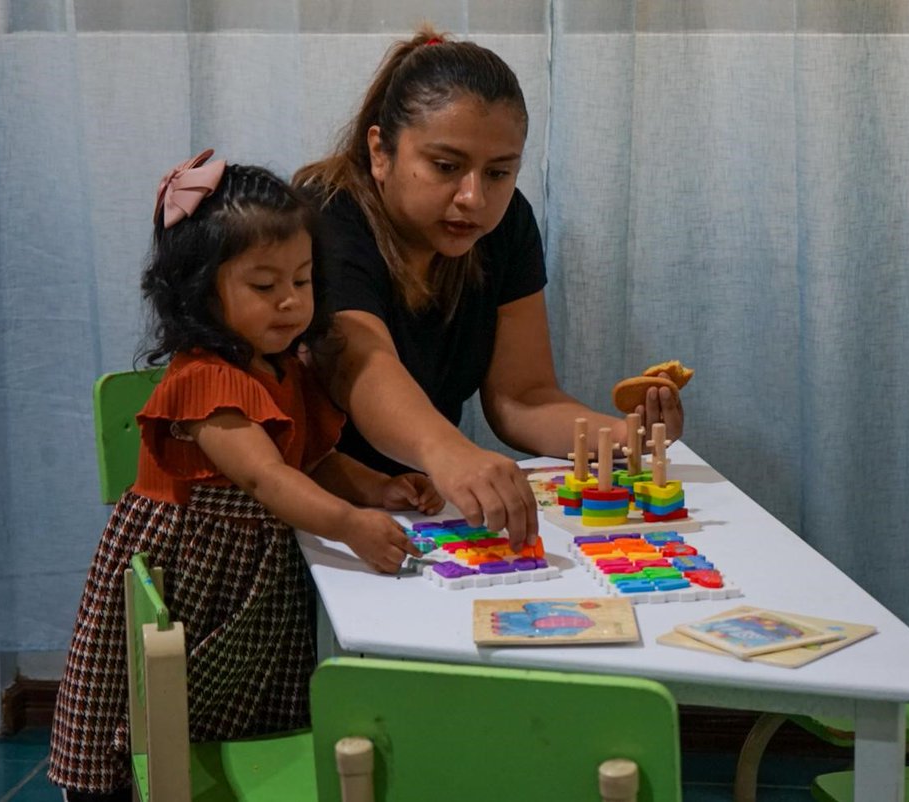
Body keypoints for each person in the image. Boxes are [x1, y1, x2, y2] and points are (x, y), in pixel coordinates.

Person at [48, 150, 442, 801]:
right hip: (192, 574)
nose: (290, 302)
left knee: (250, 707)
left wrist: (376, 488)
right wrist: (349, 524)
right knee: (157, 710)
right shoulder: (204, 380)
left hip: (249, 579)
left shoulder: (287, 366)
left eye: (304, 280)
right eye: (264, 286)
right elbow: (266, 478)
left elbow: (308, 456)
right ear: (202, 291)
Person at [294, 26, 685, 551]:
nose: (474, 198)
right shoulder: (324, 216)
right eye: (445, 166)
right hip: (311, 513)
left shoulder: (507, 226)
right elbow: (361, 365)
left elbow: (521, 397)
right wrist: (450, 453)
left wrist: (620, 438)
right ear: (380, 152)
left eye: (499, 173)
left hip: (418, 510)